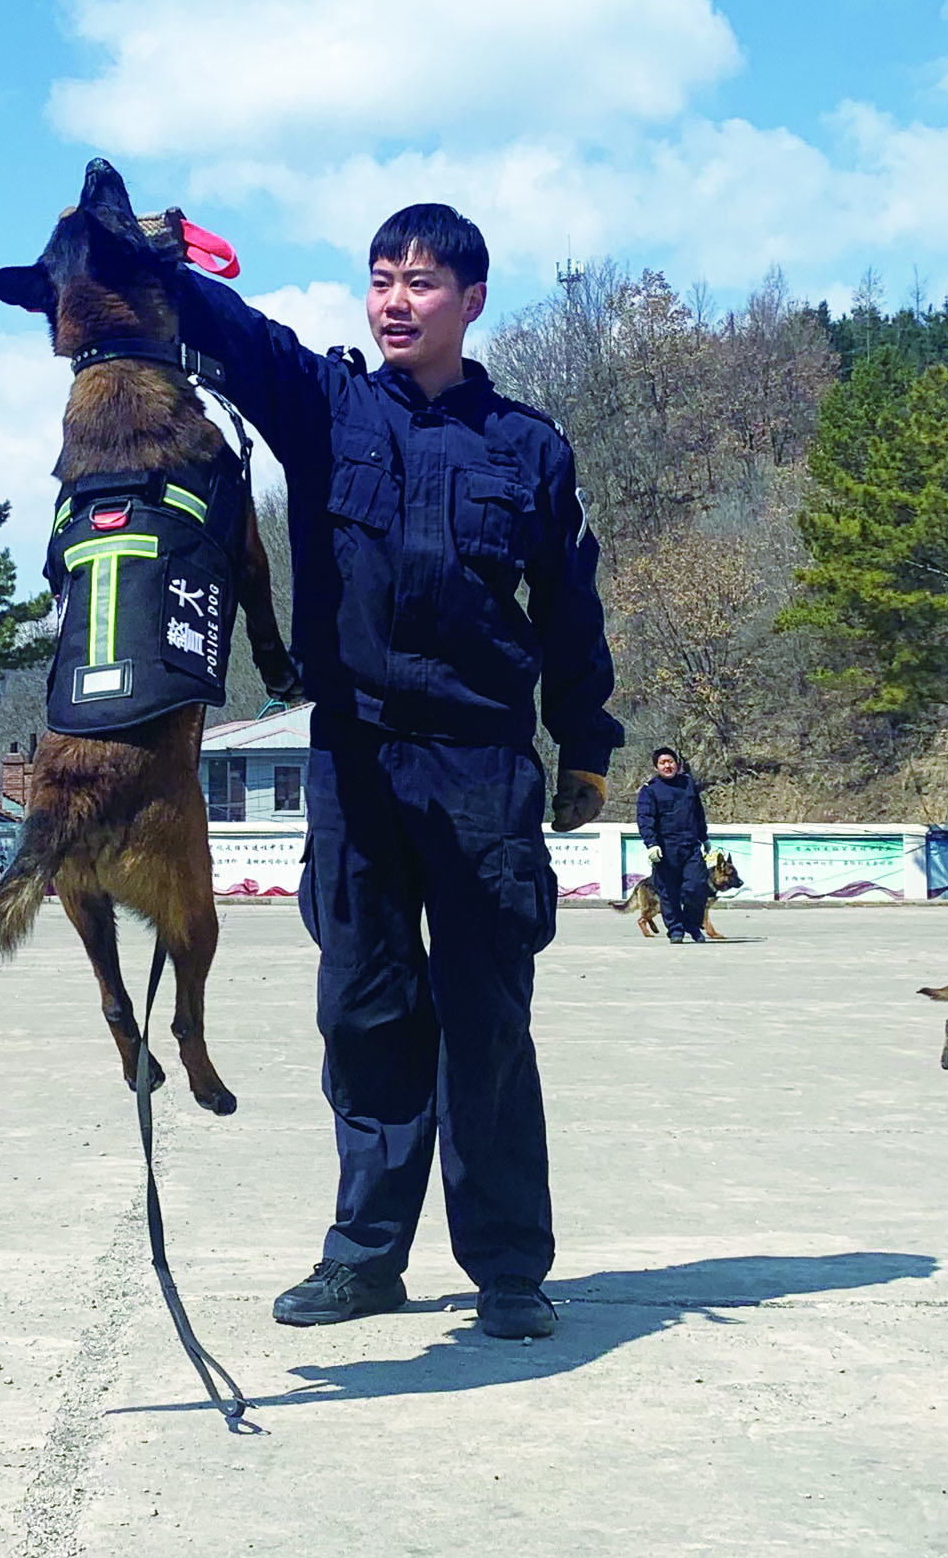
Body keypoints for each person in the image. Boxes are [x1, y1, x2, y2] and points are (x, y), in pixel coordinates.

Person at [170, 202, 622, 1340]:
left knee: (487, 1022)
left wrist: (586, 749)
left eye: (421, 281)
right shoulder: (326, 408)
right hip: (355, 758)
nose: (395, 300)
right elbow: (233, 333)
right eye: (380, 279)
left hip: (481, 768)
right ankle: (365, 1256)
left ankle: (509, 1268)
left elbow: (569, 612)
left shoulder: (529, 447)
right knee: (365, 1013)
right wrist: (144, 259)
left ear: (470, 300)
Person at [634, 747, 711, 942]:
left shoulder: (688, 784)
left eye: (670, 761)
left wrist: (704, 837)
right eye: (663, 763)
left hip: (690, 846)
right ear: (656, 767)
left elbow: (698, 813)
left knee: (697, 886)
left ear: (677, 763)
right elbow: (645, 818)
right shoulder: (650, 790)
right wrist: (651, 844)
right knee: (668, 891)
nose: (667, 766)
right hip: (665, 849)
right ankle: (675, 930)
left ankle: (692, 924)